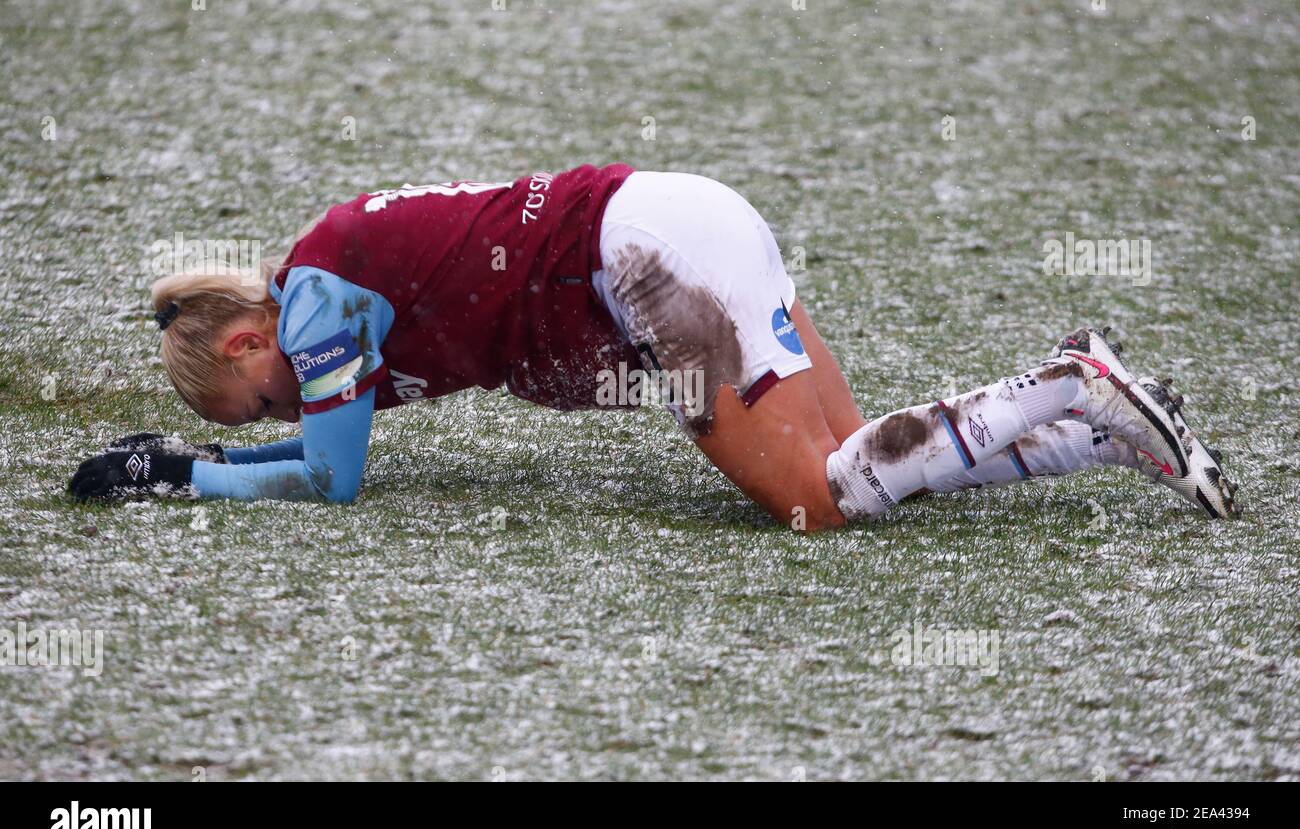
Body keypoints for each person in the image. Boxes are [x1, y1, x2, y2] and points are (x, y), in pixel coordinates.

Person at [68, 165, 1240, 528]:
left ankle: (1066, 372)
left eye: (257, 402)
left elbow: (333, 477)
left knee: (812, 502)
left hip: (640, 268)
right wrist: (196, 455)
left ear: (250, 337)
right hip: (679, 223)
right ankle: (1093, 434)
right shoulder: (320, 293)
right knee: (856, 455)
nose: (286, 416)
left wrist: (180, 472)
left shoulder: (317, 313)